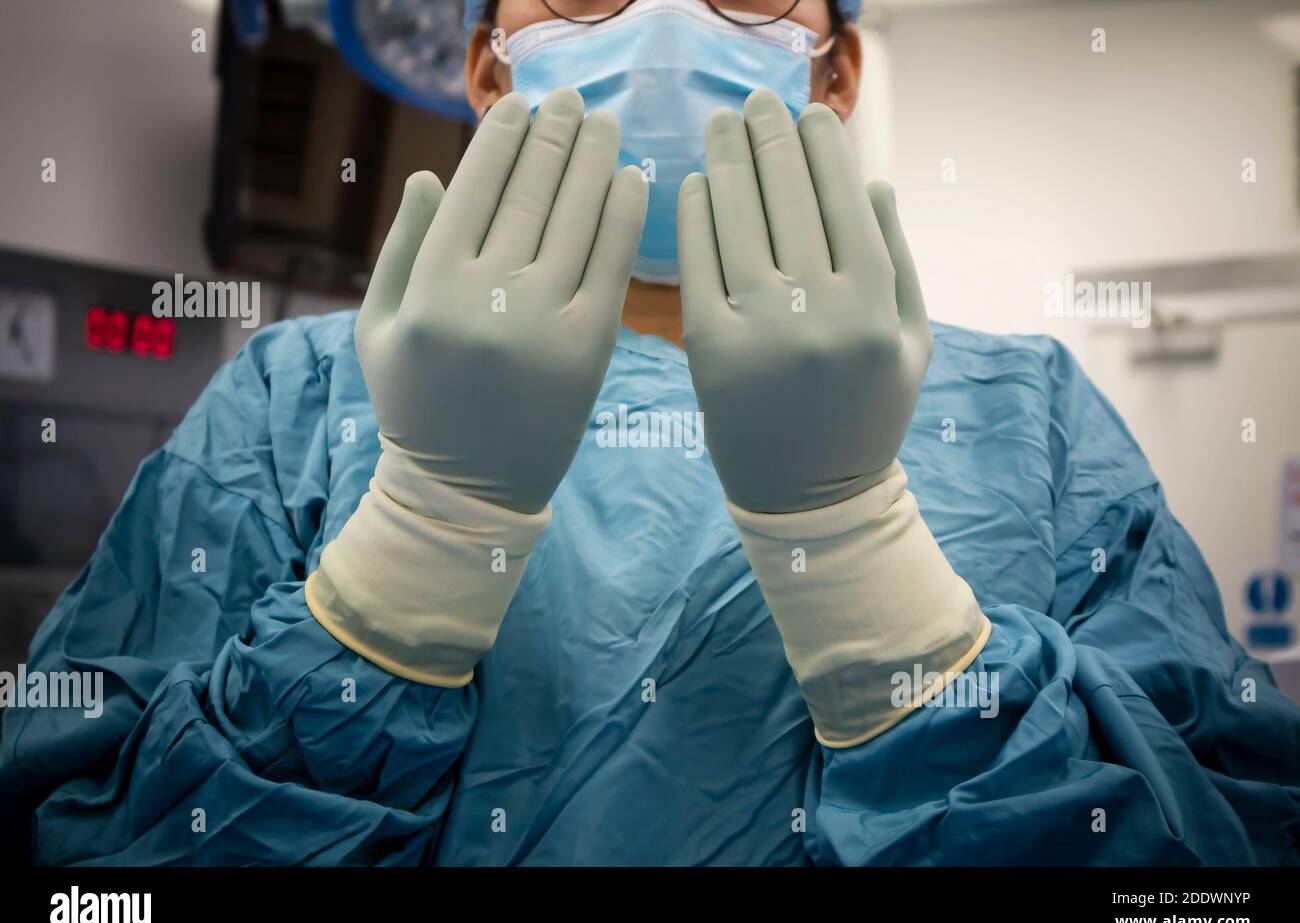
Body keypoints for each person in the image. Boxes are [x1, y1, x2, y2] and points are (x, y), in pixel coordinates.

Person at [1, 0, 1296, 866]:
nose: (667, 35)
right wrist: (426, 529)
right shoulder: (295, 404)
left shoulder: (1036, 423)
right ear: (484, 66)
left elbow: (1213, 869)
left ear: (834, 74)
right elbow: (77, 863)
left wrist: (858, 552)